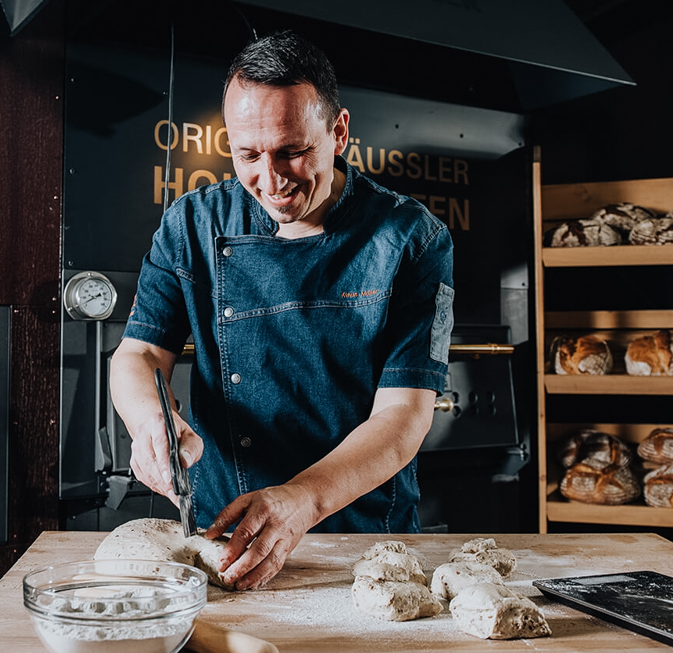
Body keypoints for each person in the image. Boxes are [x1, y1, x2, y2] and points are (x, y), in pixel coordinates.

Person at [109, 30, 454, 590]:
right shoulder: (192, 224)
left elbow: (403, 418)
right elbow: (140, 353)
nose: (270, 181)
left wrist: (301, 500)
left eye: (292, 151)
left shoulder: (411, 238)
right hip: (225, 533)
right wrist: (149, 420)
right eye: (248, 155)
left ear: (338, 132)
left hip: (362, 539)